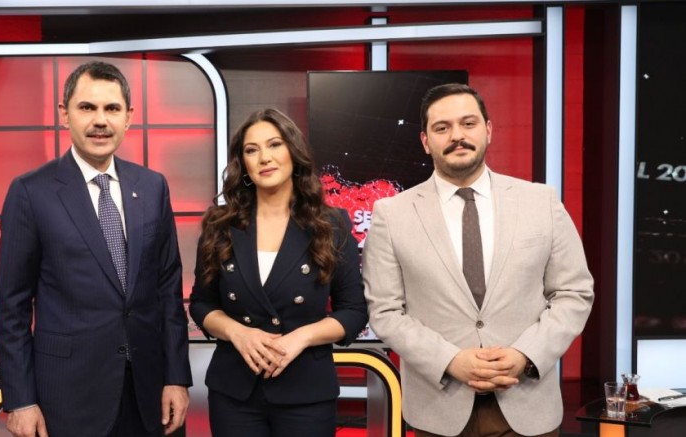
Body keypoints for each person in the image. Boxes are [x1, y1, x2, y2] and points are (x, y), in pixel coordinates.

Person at [363, 83, 594, 436]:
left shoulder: (541, 201)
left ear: (488, 130)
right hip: (438, 410)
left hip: (528, 404)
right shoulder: (391, 214)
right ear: (425, 141)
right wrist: (449, 360)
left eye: (468, 123)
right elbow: (385, 311)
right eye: (442, 127)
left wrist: (525, 355)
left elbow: (574, 293)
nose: (457, 135)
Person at [0, 61, 192, 437]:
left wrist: (177, 377)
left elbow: (168, 291)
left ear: (128, 117)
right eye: (87, 107)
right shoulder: (31, 192)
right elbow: (12, 308)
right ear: (64, 114)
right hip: (68, 398)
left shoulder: (153, 187)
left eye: (111, 108)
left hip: (150, 392)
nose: (100, 120)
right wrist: (20, 400)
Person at [188, 108, 368, 437]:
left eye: (275, 144)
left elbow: (354, 311)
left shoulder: (330, 223)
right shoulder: (220, 224)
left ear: (293, 152)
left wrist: (302, 337)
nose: (264, 158)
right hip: (235, 391)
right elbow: (201, 303)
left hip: (306, 391)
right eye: (251, 150)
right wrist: (237, 333)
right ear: (242, 163)